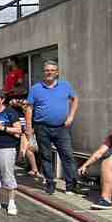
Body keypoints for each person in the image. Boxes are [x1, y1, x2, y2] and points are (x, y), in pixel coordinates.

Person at [24, 60, 81, 195]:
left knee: (67, 155)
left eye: (52, 70)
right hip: (42, 127)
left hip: (61, 127)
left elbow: (75, 99)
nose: (49, 72)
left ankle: (71, 184)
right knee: (46, 156)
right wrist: (28, 127)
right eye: (46, 70)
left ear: (57, 72)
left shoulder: (65, 85)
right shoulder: (36, 88)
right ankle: (50, 182)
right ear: (44, 72)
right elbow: (29, 108)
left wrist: (71, 117)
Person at [8, 92, 43, 180]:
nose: (24, 106)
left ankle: (32, 166)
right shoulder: (17, 112)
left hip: (32, 135)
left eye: (26, 104)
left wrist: (30, 131)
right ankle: (27, 162)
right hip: (21, 135)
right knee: (24, 146)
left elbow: (35, 125)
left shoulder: (33, 113)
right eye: (23, 104)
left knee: (28, 149)